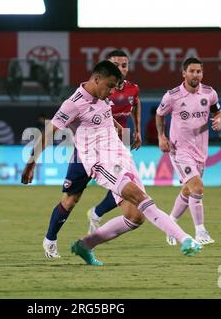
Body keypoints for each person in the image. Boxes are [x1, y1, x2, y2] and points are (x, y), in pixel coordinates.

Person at [21, 60, 202, 265]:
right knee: (137, 196)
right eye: (109, 86)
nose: (111, 92)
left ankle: (85, 245)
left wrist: (117, 127)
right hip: (100, 163)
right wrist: (30, 164)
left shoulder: (102, 95)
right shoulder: (73, 103)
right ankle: (185, 239)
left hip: (121, 156)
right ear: (97, 79)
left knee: (135, 217)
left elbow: (105, 116)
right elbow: (48, 132)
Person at [156, 57, 221, 246]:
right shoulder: (173, 96)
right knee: (197, 187)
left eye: (199, 71)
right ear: (183, 73)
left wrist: (219, 119)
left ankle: (170, 226)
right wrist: (161, 137)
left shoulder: (210, 93)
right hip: (180, 150)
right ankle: (200, 232)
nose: (196, 75)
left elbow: (217, 111)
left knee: (187, 190)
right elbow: (160, 115)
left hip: (201, 150)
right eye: (192, 71)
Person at [86, 50, 142, 235]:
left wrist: (138, 131)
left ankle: (96, 213)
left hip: (120, 141)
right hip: (99, 142)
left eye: (124, 65)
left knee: (122, 183)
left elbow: (135, 105)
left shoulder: (133, 88)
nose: (120, 69)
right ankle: (95, 213)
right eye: (116, 65)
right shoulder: (102, 87)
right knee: (121, 183)